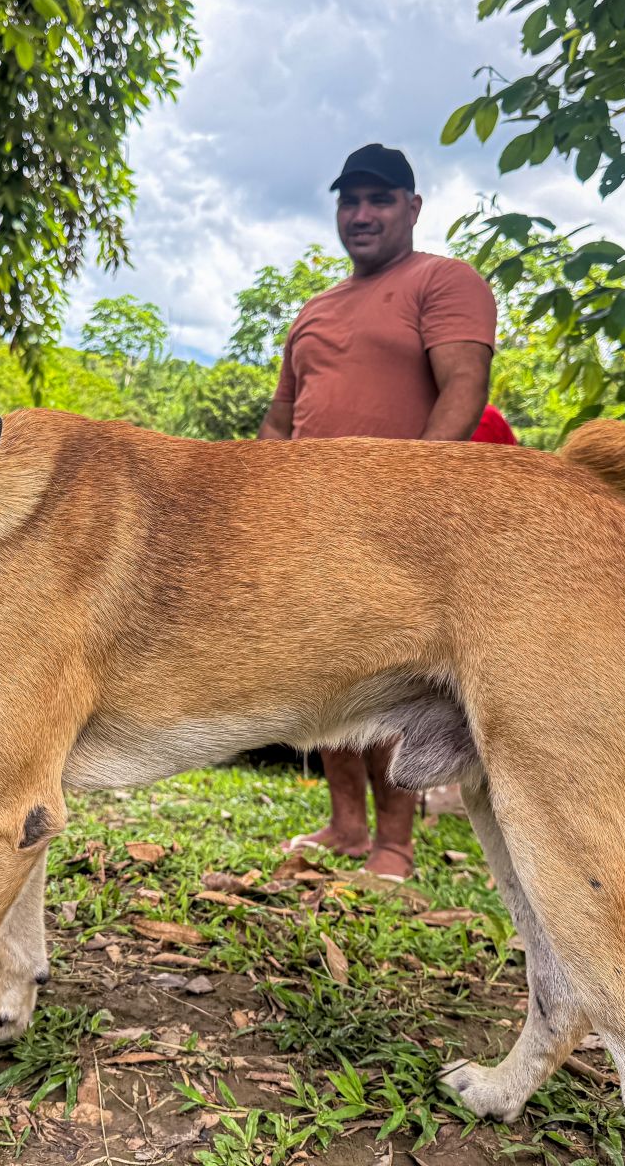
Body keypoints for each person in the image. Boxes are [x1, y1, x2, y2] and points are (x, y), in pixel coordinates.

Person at [259, 142, 503, 881]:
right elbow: (279, 422)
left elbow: (465, 385)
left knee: (397, 684)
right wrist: (257, 502)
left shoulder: (443, 280)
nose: (362, 214)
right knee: (324, 677)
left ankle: (395, 844)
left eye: (380, 199)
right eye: (349, 200)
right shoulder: (315, 309)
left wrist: (414, 492)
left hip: (398, 524)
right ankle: (344, 825)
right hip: (308, 524)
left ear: (412, 208)